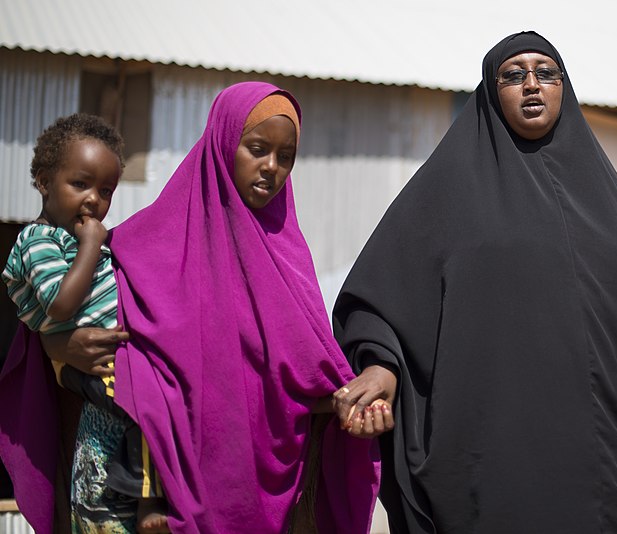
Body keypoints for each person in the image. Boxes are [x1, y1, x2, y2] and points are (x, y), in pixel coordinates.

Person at [332, 31, 617, 533]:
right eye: (513, 75)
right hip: (486, 454)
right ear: (490, 89)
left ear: (563, 87)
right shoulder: (448, 188)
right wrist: (382, 368)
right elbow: (380, 300)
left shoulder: (606, 200)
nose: (531, 85)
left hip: (595, 459)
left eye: (546, 73)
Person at [0, 83, 383, 534]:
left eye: (286, 156)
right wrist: (59, 342)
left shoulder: (289, 262)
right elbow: (57, 313)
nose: (271, 168)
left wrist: (358, 398)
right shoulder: (139, 244)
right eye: (257, 149)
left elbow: (305, 374)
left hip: (244, 488)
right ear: (222, 145)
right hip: (118, 479)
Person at [0, 113, 168, 533]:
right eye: (80, 184)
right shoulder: (39, 241)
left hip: (111, 356)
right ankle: (148, 501)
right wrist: (92, 246)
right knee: (147, 404)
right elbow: (60, 304)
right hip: (89, 368)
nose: (94, 200)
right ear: (43, 181)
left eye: (106, 190)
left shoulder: (75, 241)